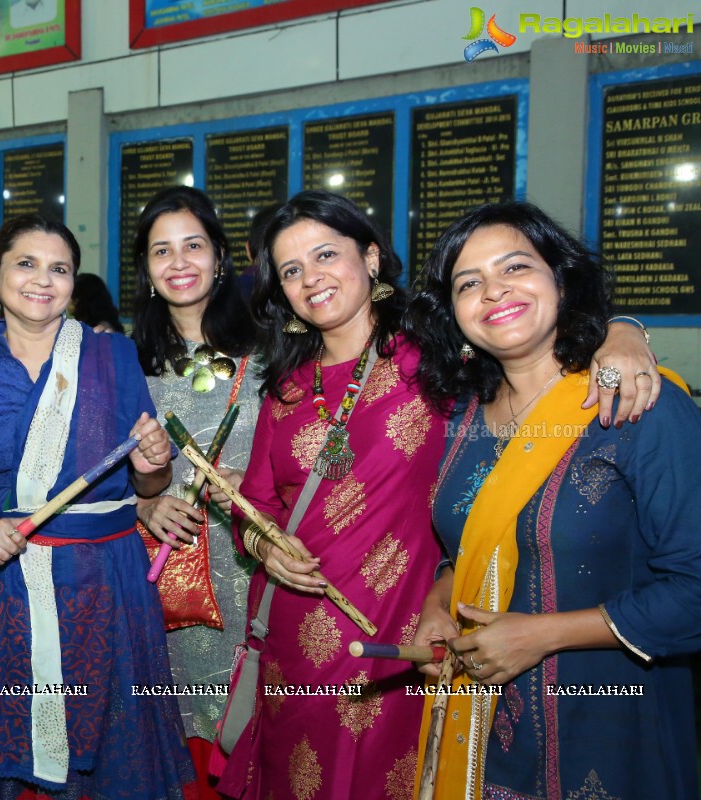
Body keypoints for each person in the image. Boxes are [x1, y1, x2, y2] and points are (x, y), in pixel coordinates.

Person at [215, 191, 659, 800]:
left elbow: (528, 336)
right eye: (291, 271)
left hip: (413, 633)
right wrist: (265, 549)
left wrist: (623, 333)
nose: (311, 278)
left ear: (370, 258)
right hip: (300, 637)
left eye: (326, 255)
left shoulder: (436, 358)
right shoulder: (285, 390)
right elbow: (255, 507)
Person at [406, 201, 700, 800]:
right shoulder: (462, 420)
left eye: (515, 267)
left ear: (560, 279)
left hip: (608, 722)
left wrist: (544, 634)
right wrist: (439, 602)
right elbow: (471, 546)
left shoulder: (639, 408)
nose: (494, 291)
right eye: (469, 283)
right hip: (482, 731)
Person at [0, 214, 194, 799]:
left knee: (118, 747)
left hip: (112, 579)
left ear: (75, 284)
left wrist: (153, 465)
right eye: (26, 264)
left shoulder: (112, 356)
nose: (42, 280)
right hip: (17, 583)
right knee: (26, 740)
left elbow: (148, 488)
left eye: (60, 269)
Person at [130, 185, 259, 797]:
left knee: (259, 740)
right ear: (147, 270)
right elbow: (98, 477)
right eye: (162, 251)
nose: (179, 262)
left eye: (193, 246)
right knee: (179, 749)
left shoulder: (276, 349)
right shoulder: (126, 365)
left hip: (258, 568)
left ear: (221, 256)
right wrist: (145, 502)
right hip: (170, 583)